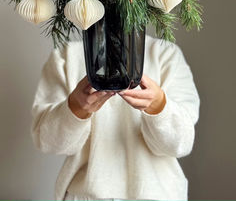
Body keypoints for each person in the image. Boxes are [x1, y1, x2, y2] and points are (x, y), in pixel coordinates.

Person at [30, 34, 200, 201]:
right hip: (85, 193)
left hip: (157, 193)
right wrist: (75, 108)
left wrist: (159, 106)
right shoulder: (66, 57)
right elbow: (47, 142)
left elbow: (181, 143)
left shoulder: (166, 54)